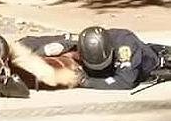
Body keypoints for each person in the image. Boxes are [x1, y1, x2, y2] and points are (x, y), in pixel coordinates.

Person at [19, 26, 169, 90]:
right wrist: (43, 50)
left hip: (152, 62)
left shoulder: (125, 46)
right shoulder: (85, 39)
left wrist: (86, 81)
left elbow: (126, 81)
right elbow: (32, 41)